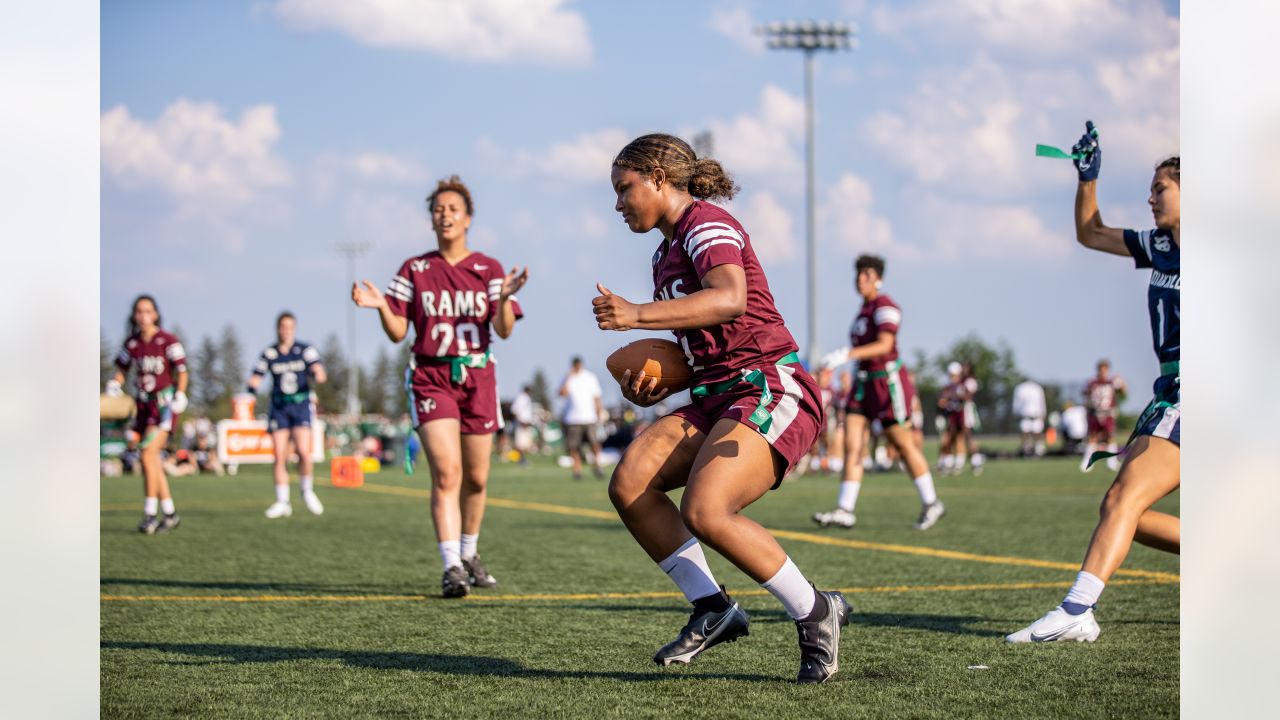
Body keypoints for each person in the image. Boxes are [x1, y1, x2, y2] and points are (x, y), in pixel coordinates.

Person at [595, 133, 849, 684]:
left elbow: (730, 297)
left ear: (659, 177)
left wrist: (637, 316)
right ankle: (713, 608)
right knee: (631, 483)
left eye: (624, 188)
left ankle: (815, 611)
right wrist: (652, 387)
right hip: (717, 394)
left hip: (769, 388)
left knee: (707, 511)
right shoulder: (665, 253)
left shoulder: (706, 224)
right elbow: (697, 348)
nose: (618, 203)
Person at [1007, 123, 1179, 643]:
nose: (1150, 197)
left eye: (1161, 188)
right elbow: (1090, 233)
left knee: (1122, 499)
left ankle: (1078, 609)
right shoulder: (1161, 244)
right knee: (1125, 510)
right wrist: (1089, 178)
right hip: (1169, 394)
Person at [352, 175, 528, 599]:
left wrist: (503, 298)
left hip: (478, 377)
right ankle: (451, 565)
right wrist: (381, 307)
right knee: (447, 473)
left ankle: (470, 552)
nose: (445, 214)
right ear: (431, 219)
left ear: (468, 218)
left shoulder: (489, 268)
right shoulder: (415, 269)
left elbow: (503, 330)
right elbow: (398, 332)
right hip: (432, 377)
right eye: (438, 209)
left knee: (479, 479)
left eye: (453, 209)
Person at [813, 256, 945, 530]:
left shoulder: (886, 306)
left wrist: (846, 354)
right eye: (858, 275)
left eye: (867, 275)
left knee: (902, 444)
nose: (860, 280)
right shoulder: (863, 310)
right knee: (853, 445)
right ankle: (845, 508)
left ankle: (932, 502)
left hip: (887, 382)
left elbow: (885, 344)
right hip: (863, 383)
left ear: (879, 278)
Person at [106, 294, 188, 534]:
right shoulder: (132, 343)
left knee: (148, 453)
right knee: (151, 461)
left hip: (163, 407)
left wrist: (180, 394)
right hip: (142, 406)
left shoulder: (167, 341)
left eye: (148, 311)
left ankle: (150, 514)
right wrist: (115, 382)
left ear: (156, 314)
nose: (143, 316)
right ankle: (170, 513)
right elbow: (121, 369)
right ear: (134, 315)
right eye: (139, 312)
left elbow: (181, 370)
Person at [246, 312, 327, 518]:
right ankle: (282, 501)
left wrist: (317, 374)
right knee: (279, 455)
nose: (286, 330)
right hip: (279, 407)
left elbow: (319, 370)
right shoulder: (270, 353)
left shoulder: (304, 350)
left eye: (290, 326)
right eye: (283, 326)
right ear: (277, 328)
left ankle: (306, 490)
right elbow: (256, 376)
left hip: (300, 405)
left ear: (295, 328)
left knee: (303, 451)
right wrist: (252, 385)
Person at [559, 356, 605, 479]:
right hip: (572, 419)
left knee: (594, 444)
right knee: (574, 447)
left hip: (589, 418)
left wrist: (599, 412)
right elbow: (561, 394)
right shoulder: (567, 378)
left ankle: (597, 466)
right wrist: (568, 377)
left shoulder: (590, 377)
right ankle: (577, 470)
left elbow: (597, 397)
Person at [1080, 359, 1128, 472]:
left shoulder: (1112, 382)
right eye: (1101, 370)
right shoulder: (1092, 383)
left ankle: (1112, 461)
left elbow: (1123, 393)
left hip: (1108, 413)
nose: (1103, 372)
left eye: (1105, 370)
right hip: (1095, 412)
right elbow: (1084, 394)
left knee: (1110, 437)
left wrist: (1122, 384)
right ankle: (1088, 461)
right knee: (1093, 437)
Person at [936, 362, 968, 475]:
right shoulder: (947, 387)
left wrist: (952, 397)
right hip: (948, 417)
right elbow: (940, 402)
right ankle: (946, 462)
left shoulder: (962, 386)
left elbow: (965, 399)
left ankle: (959, 463)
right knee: (946, 440)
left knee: (959, 439)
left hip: (959, 417)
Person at [1012, 376, 1047, 457]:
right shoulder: (1021, 388)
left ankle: (1038, 450)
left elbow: (1041, 402)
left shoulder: (1036, 388)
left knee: (1037, 433)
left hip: (1035, 416)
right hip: (1025, 416)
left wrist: (1043, 413)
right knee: (1025, 433)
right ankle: (1027, 450)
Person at [509, 385, 535, 465]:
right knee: (520, 443)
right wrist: (521, 421)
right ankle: (521, 460)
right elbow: (514, 410)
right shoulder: (520, 397)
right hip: (521, 424)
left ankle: (522, 459)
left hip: (526, 424)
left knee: (526, 444)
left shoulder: (527, 398)